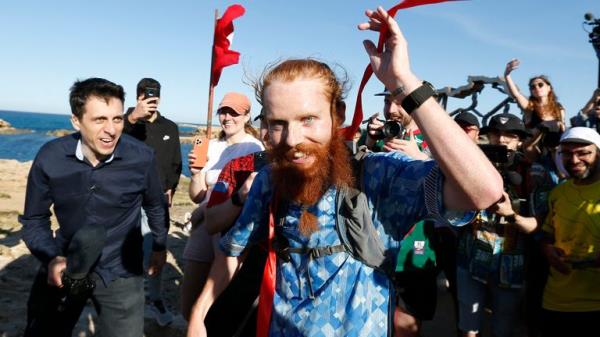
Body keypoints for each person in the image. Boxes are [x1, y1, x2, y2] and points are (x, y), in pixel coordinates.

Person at [187, 6, 503, 337]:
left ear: (338, 114)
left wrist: (406, 84)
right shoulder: (270, 179)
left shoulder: (378, 178)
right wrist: (198, 315)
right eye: (278, 124)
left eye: (308, 119)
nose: (293, 140)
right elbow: (231, 251)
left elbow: (483, 191)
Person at [20, 78, 169, 337]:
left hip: (121, 269)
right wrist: (51, 257)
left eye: (117, 119)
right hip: (66, 261)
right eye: (100, 120)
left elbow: (155, 205)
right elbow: (34, 219)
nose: (111, 130)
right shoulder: (50, 157)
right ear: (76, 121)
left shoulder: (142, 157)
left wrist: (159, 245)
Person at [181, 92, 264, 320]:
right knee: (188, 299)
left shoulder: (253, 148)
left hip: (229, 225)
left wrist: (200, 211)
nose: (227, 117)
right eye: (223, 111)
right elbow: (197, 195)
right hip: (203, 225)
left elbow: (249, 192)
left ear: (247, 116)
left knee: (218, 300)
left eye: (234, 113)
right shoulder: (211, 145)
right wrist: (197, 174)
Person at [455, 113, 538, 337]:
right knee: (468, 328)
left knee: (503, 328)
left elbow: (539, 228)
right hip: (471, 260)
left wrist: (511, 214)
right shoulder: (471, 166)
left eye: (510, 136)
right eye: (496, 134)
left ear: (520, 140)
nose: (502, 140)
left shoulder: (533, 173)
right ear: (487, 137)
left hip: (511, 268)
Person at [124, 77, 181, 326]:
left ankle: (155, 299)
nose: (152, 99)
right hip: (126, 198)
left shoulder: (170, 127)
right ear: (138, 96)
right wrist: (132, 118)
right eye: (147, 94)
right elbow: (110, 142)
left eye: (156, 95)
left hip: (156, 202)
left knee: (156, 251)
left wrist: (171, 187)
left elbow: (176, 163)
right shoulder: (124, 121)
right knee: (124, 251)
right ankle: (128, 301)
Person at [540, 127, 600, 337]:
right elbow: (548, 234)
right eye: (567, 153)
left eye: (583, 152)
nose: (574, 160)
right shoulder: (558, 193)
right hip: (556, 302)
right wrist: (547, 249)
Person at [361, 88, 430, 159]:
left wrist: (418, 157)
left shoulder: (430, 139)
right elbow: (353, 165)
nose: (391, 110)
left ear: (415, 105)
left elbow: (440, 168)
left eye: (400, 103)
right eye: (387, 102)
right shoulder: (374, 133)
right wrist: (368, 144)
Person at [504, 59, 565, 131]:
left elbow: (563, 128)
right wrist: (507, 75)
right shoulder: (529, 107)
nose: (537, 87)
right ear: (531, 91)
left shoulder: (559, 107)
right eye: (533, 87)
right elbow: (516, 94)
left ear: (549, 88)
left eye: (540, 84)